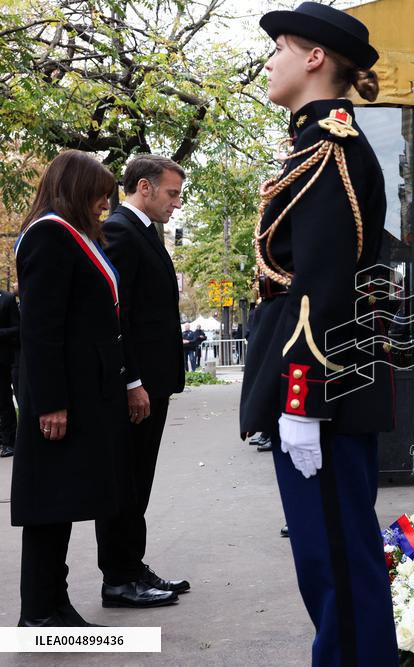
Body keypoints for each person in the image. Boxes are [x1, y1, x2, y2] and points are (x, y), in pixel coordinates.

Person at [240, 3, 397, 663]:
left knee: (335, 559)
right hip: (326, 389)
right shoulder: (313, 146)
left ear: (314, 59)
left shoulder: (329, 149)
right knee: (328, 557)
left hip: (321, 394)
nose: (268, 60)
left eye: (280, 47)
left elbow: (322, 287)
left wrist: (301, 403)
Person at [10, 150, 131, 626]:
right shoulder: (49, 235)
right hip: (59, 396)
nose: (105, 203)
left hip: (83, 392)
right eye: (100, 193)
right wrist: (52, 403)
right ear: (77, 188)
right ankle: (39, 616)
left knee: (60, 502)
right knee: (48, 504)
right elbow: (41, 329)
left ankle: (53, 606)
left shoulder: (73, 235)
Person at [95, 154, 188, 609]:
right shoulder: (120, 230)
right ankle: (118, 578)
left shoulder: (142, 231)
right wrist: (131, 380)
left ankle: (132, 565)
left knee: (139, 479)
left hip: (152, 382)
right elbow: (117, 315)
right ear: (145, 188)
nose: (176, 203)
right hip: (137, 385)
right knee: (126, 480)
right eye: (171, 194)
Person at [0, 285, 19, 458]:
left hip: (3, 360)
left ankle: (8, 442)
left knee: (4, 400)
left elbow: (17, 329)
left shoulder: (7, 298)